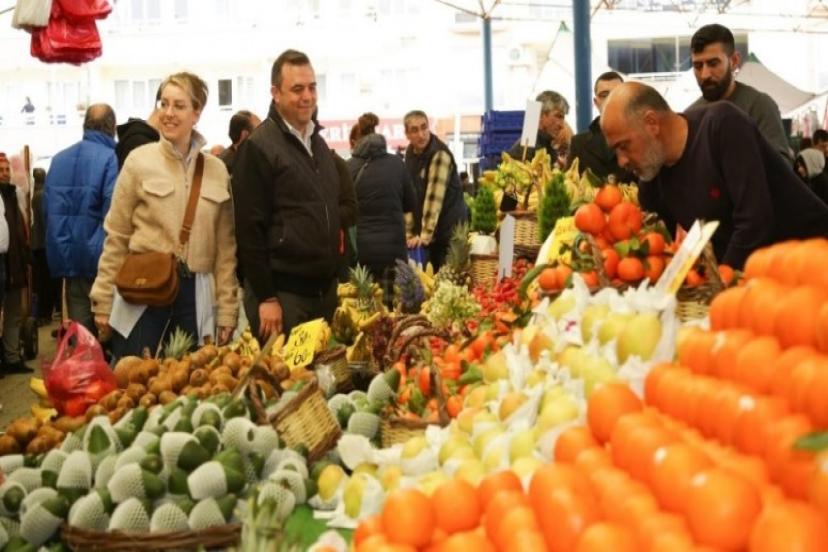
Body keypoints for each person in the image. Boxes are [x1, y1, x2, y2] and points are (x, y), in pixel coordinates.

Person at [601, 82, 828, 269]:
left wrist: (719, 288)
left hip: (810, 257)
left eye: (624, 146)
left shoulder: (722, 126)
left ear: (651, 123)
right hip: (755, 277)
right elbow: (669, 250)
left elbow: (755, 220)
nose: (622, 161)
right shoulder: (652, 179)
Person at [91, 72, 238, 359]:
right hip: (142, 296)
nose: (168, 113)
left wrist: (228, 310)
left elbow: (226, 250)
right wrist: (103, 300)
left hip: (196, 298)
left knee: (191, 389)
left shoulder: (216, 170)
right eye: (164, 103)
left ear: (197, 113)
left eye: (179, 106)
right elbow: (116, 236)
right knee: (134, 386)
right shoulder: (138, 162)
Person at [232, 49, 343, 339]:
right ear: (276, 93)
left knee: (326, 381)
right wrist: (267, 297)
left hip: (323, 293)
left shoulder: (317, 144)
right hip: (284, 298)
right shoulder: (259, 148)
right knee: (290, 382)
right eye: (297, 89)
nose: (307, 96)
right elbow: (249, 230)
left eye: (312, 87)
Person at [45, 104, 119, 334]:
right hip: (100, 258)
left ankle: (85, 369)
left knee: (82, 333)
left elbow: (47, 210)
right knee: (110, 329)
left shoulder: (58, 160)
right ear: (112, 127)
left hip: (67, 256)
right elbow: (113, 212)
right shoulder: (111, 159)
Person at [688, 24, 792, 161]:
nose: (705, 74)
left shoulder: (759, 106)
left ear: (734, 61)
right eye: (698, 66)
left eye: (713, 64)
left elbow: (781, 167)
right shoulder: (691, 116)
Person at [347, 113, 416, 300]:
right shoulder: (396, 164)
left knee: (365, 310)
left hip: (361, 252)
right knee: (394, 304)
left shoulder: (348, 168)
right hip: (394, 251)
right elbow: (411, 204)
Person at [403, 109, 468, 271]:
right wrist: (409, 234)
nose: (421, 134)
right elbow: (408, 196)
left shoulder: (439, 155)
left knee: (448, 283)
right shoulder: (410, 154)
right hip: (431, 236)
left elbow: (434, 200)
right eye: (414, 130)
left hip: (449, 234)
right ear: (407, 135)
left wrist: (424, 236)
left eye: (424, 127)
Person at [568, 71, 636, 183]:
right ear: (596, 102)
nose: (610, 100)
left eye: (616, 94)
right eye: (604, 95)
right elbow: (570, 184)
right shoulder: (578, 144)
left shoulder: (641, 140)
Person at [0, 153, 32, 374]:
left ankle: (11, 358)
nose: (4, 173)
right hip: (3, 261)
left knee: (13, 312)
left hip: (12, 263)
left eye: (6, 169)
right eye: (0, 170)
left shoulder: (13, 195)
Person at [31, 168, 58, 325]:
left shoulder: (39, 195)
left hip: (41, 245)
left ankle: (44, 314)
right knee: (45, 281)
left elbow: (42, 221)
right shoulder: (43, 194)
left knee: (44, 281)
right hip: (44, 244)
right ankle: (44, 313)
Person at [507, 90, 569, 162]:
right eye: (558, 116)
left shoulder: (547, 146)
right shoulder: (526, 149)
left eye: (562, 118)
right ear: (540, 115)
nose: (562, 125)